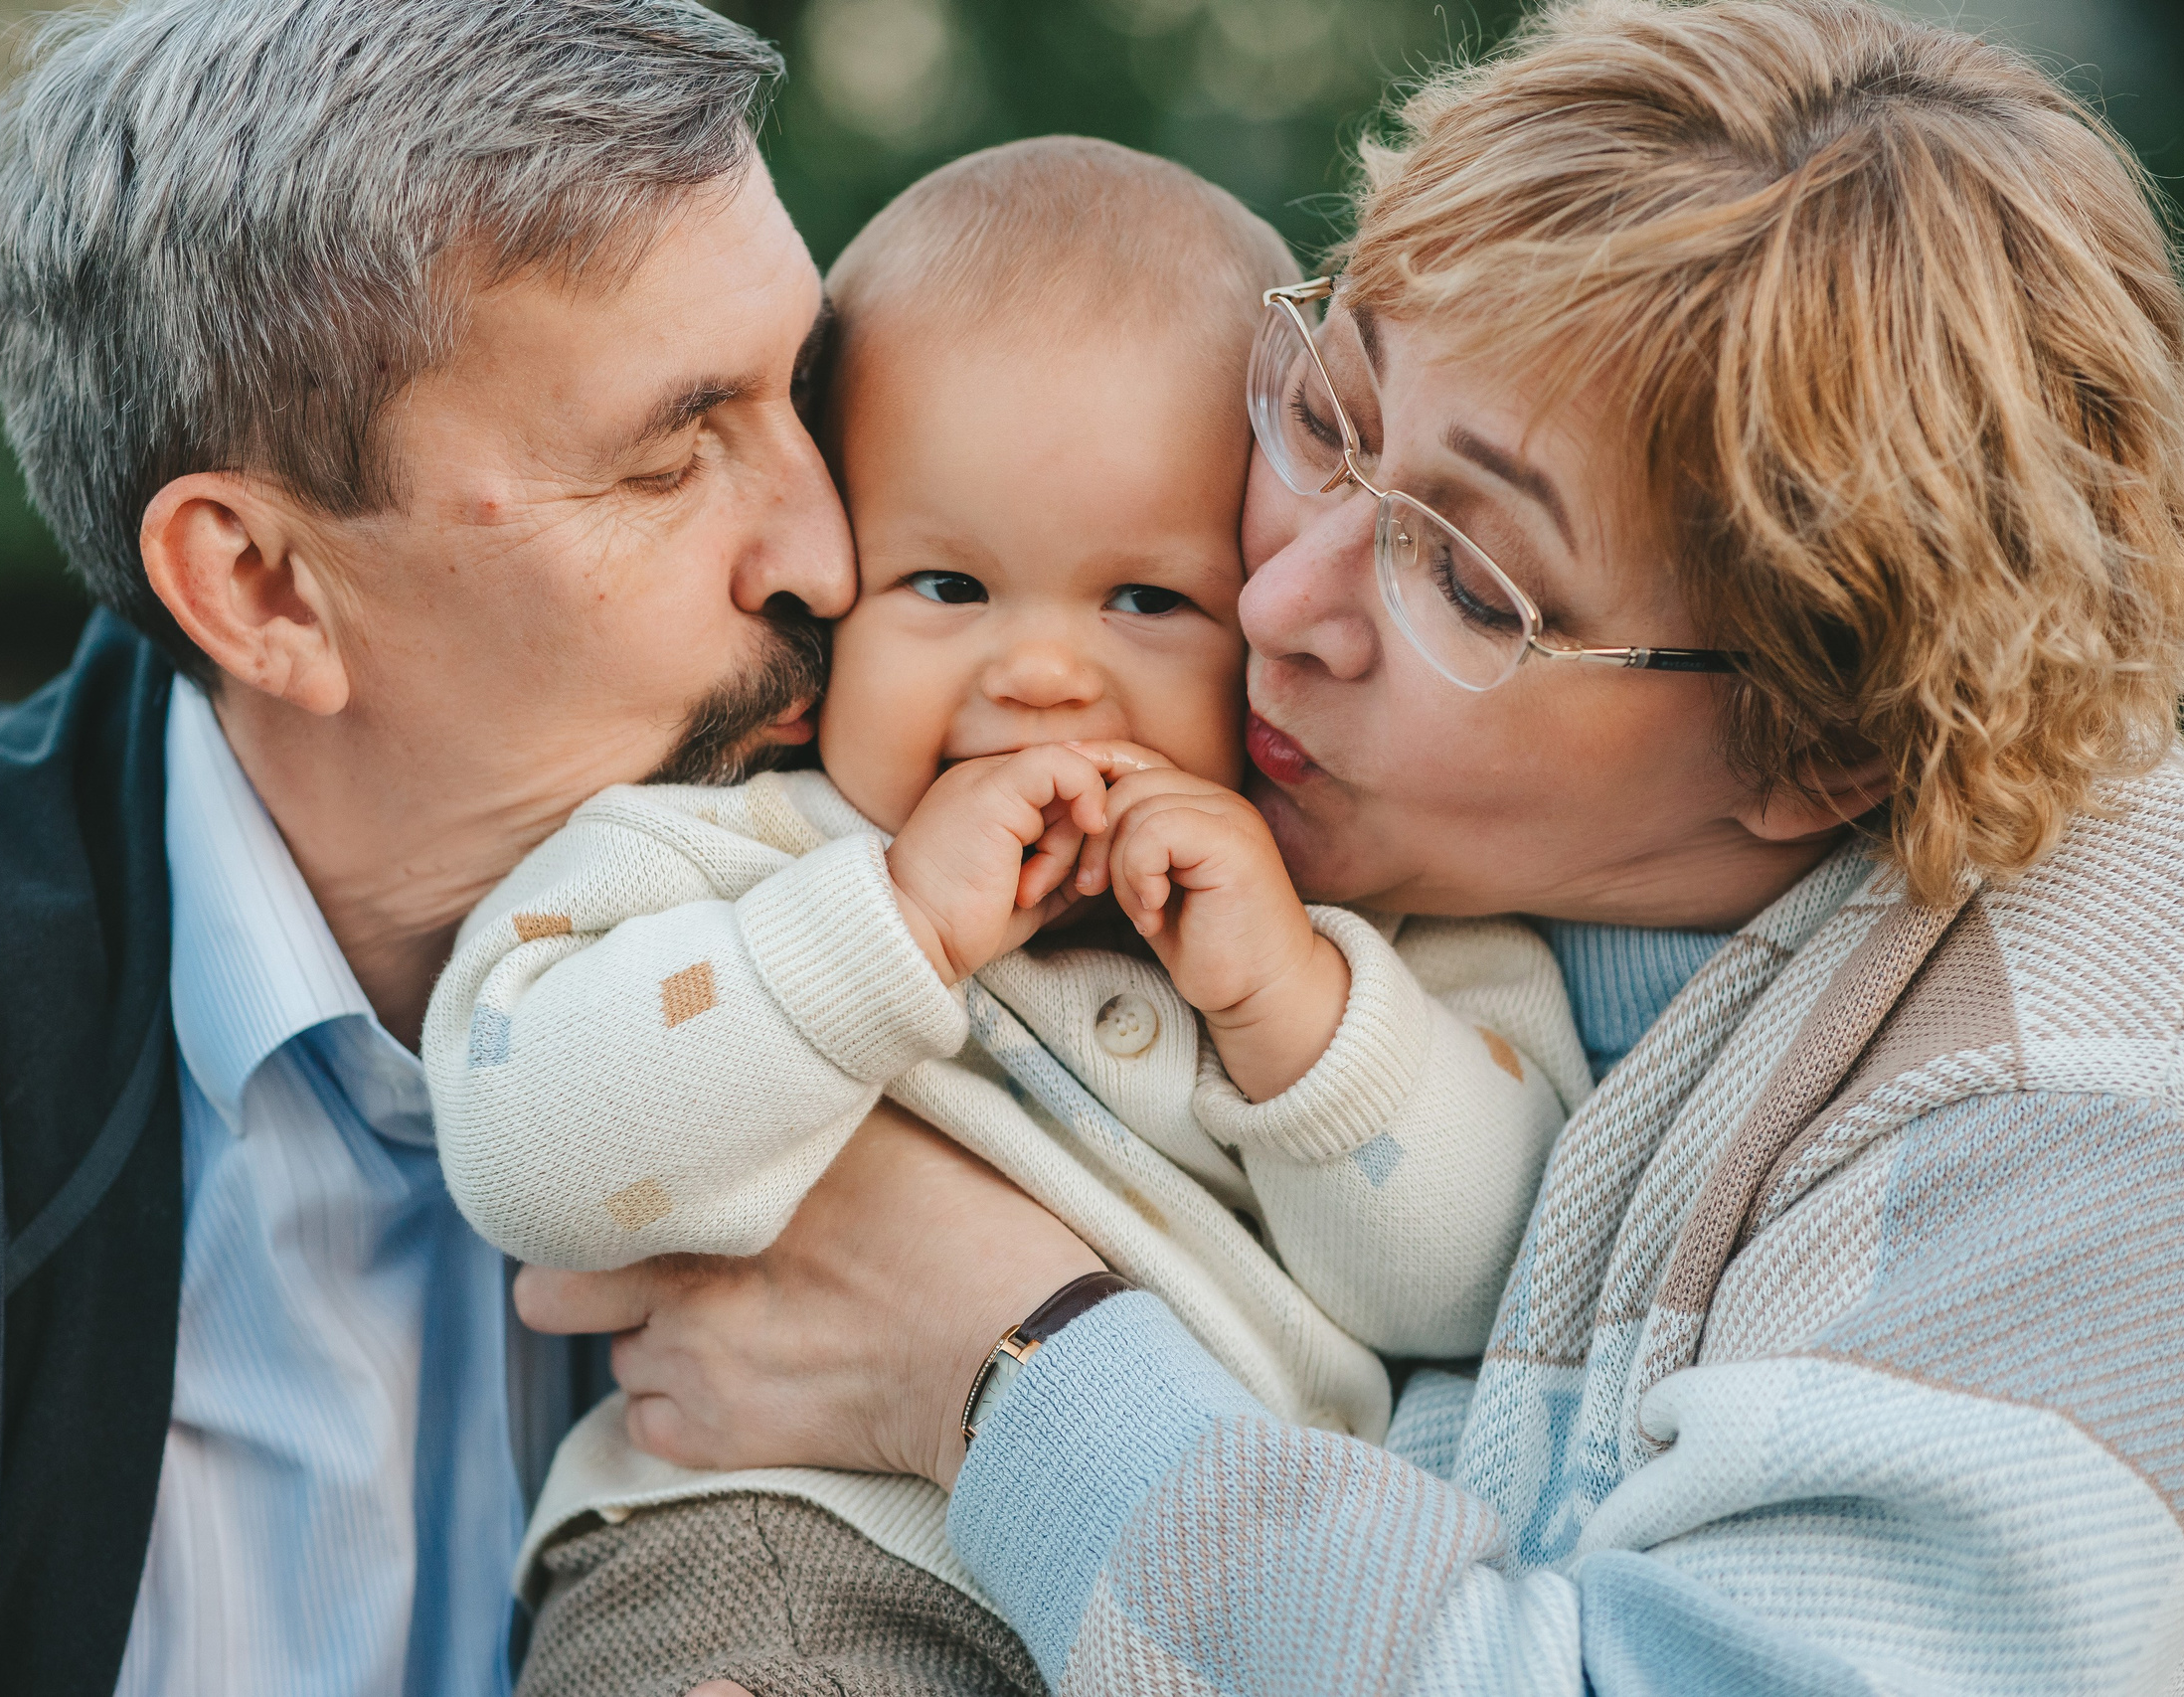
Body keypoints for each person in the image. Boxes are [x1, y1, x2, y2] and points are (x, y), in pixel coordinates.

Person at [513, 2, 2184, 1690]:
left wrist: (986, 1347)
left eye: (1473, 583)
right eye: (1329, 414)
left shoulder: (2058, 1123)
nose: (1276, 599)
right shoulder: (1418, 854)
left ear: (1813, 746)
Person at [0, 2, 857, 1694]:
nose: (829, 552)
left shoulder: (986, 908)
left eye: (805, 387)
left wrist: (1012, 1359)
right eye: (674, 452)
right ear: (261, 587)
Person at [421, 137, 1588, 1697]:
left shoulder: (1367, 920)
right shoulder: (740, 855)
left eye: (1147, 602)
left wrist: (1294, 1013)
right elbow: (523, 1143)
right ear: (835, 580)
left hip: (1214, 1613)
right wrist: (873, 938)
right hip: (797, 1559)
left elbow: (1481, 1283)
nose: (1041, 674)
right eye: (947, 588)